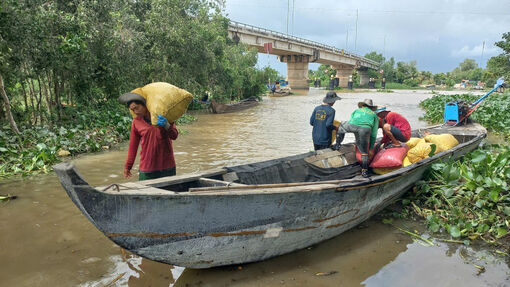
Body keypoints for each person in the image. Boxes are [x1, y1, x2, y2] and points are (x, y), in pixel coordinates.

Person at [119, 92, 179, 180]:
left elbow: (174, 135)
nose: (136, 112)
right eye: (133, 110)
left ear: (144, 105)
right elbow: (133, 147)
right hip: (147, 168)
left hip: (167, 166)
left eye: (137, 108)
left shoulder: (162, 115)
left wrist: (166, 125)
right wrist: (128, 167)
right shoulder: (136, 122)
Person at [333, 99, 379, 178]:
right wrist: (371, 146)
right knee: (364, 152)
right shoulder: (374, 115)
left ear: (362, 106)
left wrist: (355, 133)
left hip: (352, 125)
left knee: (341, 126)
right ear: (371, 108)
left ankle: (337, 144)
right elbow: (374, 133)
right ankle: (364, 172)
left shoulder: (357, 110)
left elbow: (352, 121)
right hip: (365, 129)